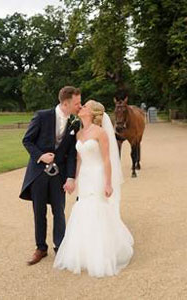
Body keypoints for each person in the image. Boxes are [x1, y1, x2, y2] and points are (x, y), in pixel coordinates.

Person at [53, 100, 134, 277]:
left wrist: (108, 183)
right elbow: (79, 159)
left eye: (85, 106)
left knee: (97, 208)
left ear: (92, 113)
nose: (81, 107)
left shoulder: (101, 133)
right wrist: (73, 179)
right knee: (82, 208)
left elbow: (107, 159)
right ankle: (84, 252)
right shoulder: (79, 132)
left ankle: (102, 254)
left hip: (97, 175)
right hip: (84, 177)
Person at [19, 86, 81, 265]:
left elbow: (71, 154)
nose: (79, 106)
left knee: (59, 211)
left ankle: (60, 247)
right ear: (65, 103)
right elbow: (27, 140)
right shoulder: (42, 116)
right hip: (38, 173)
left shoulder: (74, 123)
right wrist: (40, 156)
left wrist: (70, 177)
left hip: (59, 175)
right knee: (39, 211)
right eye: (77, 103)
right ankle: (41, 248)